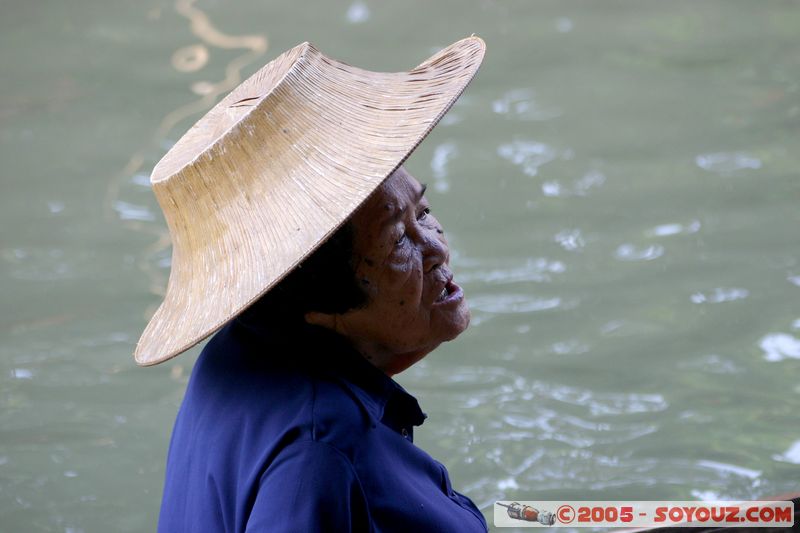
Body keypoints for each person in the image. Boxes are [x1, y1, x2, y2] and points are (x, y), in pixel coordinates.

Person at [134, 37, 487, 531]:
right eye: (397, 241)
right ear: (320, 302)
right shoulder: (321, 453)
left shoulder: (237, 353)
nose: (436, 248)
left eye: (423, 212)